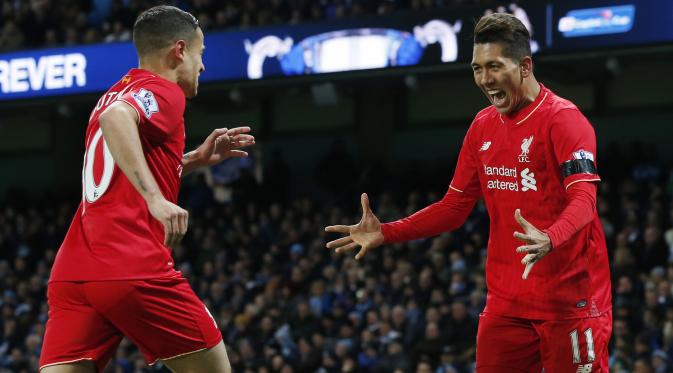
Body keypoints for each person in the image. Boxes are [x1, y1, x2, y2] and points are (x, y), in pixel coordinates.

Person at [326, 13, 612, 372]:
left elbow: (584, 200)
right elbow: (455, 206)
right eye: (477, 68)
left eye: (494, 66)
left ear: (525, 66)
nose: (484, 79)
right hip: (507, 304)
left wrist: (550, 238)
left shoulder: (564, 120)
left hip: (570, 302)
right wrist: (388, 231)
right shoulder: (482, 126)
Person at [40, 6, 254, 373]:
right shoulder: (164, 91)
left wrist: (190, 161)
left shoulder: (114, 91)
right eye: (201, 54)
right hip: (129, 262)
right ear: (179, 50)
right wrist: (156, 199)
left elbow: (117, 165)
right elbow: (117, 118)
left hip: (73, 271)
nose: (202, 66)